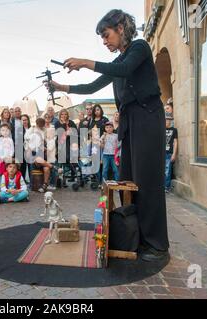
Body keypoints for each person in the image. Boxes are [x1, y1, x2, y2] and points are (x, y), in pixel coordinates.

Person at [48, 9, 169, 262]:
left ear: (121, 28)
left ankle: (156, 244)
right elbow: (93, 86)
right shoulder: (120, 60)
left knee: (148, 180)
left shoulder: (140, 48)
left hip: (147, 117)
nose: (104, 41)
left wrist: (84, 61)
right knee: (128, 179)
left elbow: (125, 70)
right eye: (102, 37)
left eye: (106, 35)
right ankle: (134, 236)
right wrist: (62, 87)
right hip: (131, 121)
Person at [25, 118, 58, 192]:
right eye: (39, 126)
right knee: (35, 162)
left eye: (42, 126)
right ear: (36, 124)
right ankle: (53, 167)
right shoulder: (31, 130)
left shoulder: (44, 130)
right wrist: (28, 149)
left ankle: (44, 185)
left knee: (46, 168)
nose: (41, 127)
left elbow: (46, 140)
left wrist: (46, 148)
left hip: (41, 152)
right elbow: (26, 140)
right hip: (33, 152)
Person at [0, 124, 14, 189]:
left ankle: (8, 187)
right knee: (1, 175)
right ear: (0, 131)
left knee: (8, 173)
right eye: (3, 130)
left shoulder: (10, 140)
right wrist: (2, 157)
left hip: (8, 159)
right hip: (0, 159)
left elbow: (12, 149)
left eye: (7, 130)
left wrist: (10, 156)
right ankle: (1, 188)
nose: (5, 132)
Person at [165, 114, 178, 192]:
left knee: (167, 171)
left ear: (170, 120)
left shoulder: (174, 130)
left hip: (169, 153)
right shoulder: (161, 129)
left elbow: (175, 142)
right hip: (161, 153)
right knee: (161, 171)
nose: (166, 121)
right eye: (165, 119)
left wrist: (174, 154)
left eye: (167, 120)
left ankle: (166, 187)